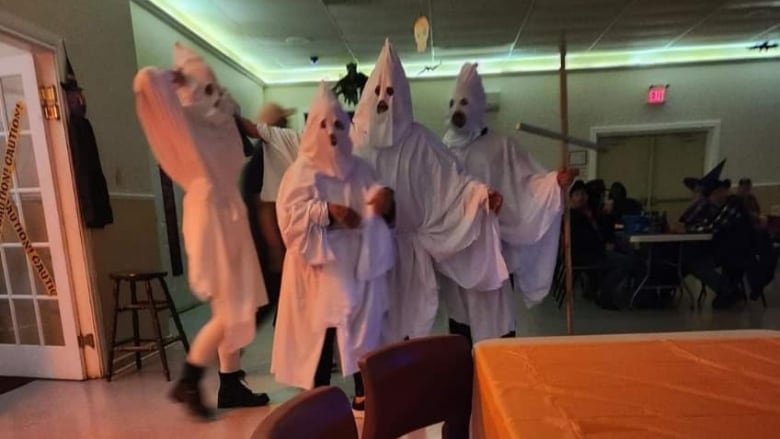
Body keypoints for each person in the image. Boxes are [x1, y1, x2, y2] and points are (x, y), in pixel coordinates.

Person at [134, 43, 270, 420]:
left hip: (228, 215)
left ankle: (226, 382)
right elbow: (145, 82)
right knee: (233, 309)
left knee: (233, 307)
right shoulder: (188, 118)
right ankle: (190, 378)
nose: (214, 93)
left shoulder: (217, 116)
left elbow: (230, 108)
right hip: (213, 219)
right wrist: (172, 77)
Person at [351, 39, 508, 344]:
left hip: (408, 255)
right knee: (366, 327)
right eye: (379, 92)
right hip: (363, 250)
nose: (384, 100)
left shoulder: (420, 140)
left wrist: (480, 196)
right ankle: (366, 390)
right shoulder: (354, 142)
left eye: (391, 92)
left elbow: (453, 182)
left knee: (405, 328)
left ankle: (404, 382)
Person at [271, 83, 395, 411]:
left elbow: (376, 192)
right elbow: (289, 215)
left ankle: (362, 389)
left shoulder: (360, 167)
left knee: (360, 326)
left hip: (355, 262)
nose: (332, 134)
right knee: (320, 330)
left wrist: (383, 197)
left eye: (338, 125)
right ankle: (317, 393)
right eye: (323, 125)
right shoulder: (300, 173)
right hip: (317, 265)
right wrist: (328, 211)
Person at [439, 63, 574, 343]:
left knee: (496, 324)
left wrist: (554, 183)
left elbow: (528, 182)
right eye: (453, 103)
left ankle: (499, 380)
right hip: (459, 251)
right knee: (461, 328)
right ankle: (466, 383)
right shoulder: (442, 150)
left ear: (478, 105)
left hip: (492, 250)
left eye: (464, 102)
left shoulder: (502, 146)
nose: (457, 110)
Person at [241, 103, 299, 323]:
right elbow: (264, 206)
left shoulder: (264, 156)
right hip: (267, 242)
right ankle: (232, 341)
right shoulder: (264, 158)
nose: (287, 127)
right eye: (283, 123)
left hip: (266, 241)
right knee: (271, 296)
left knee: (275, 297)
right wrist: (276, 247)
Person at [676, 162, 741, 309]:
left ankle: (728, 292)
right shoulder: (711, 206)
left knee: (693, 263)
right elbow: (690, 222)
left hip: (732, 249)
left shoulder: (732, 205)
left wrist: (688, 230)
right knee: (686, 259)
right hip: (718, 247)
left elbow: (713, 228)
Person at [569, 181, 634, 309]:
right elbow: (582, 241)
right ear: (571, 198)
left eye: (583, 194)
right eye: (577, 194)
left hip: (596, 250)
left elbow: (604, 229)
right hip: (586, 255)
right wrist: (603, 246)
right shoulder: (572, 217)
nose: (581, 197)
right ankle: (605, 295)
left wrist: (607, 215)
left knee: (628, 253)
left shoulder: (590, 212)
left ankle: (598, 288)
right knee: (625, 262)